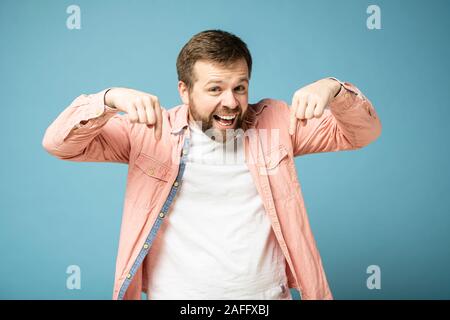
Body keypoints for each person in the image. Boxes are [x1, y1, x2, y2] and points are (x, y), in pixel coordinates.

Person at [42, 29, 382, 300]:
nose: (230, 102)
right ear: (185, 91)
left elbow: (361, 134)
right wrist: (108, 99)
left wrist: (334, 89)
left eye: (240, 87)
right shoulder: (148, 133)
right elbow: (59, 145)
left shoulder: (276, 126)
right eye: (215, 89)